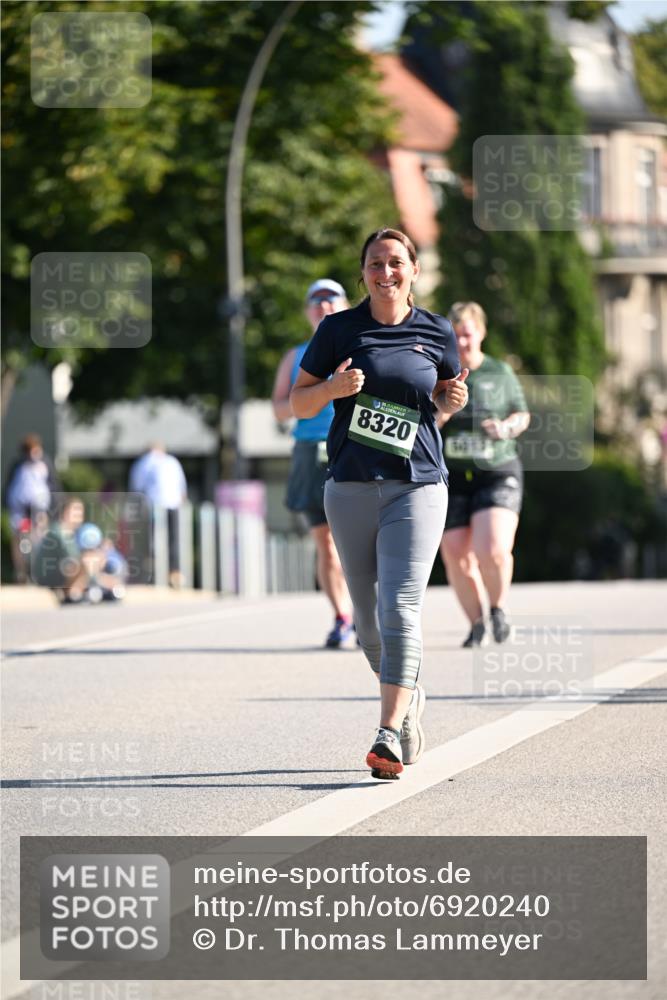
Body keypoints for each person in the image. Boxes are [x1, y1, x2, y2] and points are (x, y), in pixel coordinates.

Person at [290, 228, 468, 778]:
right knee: (367, 623)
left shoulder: (436, 331)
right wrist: (331, 392)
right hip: (348, 486)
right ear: (362, 272)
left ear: (414, 270)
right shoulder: (338, 330)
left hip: (416, 484)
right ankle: (409, 696)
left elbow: (441, 396)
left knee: (400, 605)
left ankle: (386, 732)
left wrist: (451, 400)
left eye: (396, 263)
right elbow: (298, 402)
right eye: (375, 264)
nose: (385, 272)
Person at [437, 302, 530, 647]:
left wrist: (506, 427)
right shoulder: (440, 373)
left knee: (491, 548)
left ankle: (499, 609)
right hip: (454, 476)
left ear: (481, 333)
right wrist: (444, 408)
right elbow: (428, 424)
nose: (461, 342)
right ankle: (476, 624)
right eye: (455, 335)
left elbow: (523, 415)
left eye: (467, 334)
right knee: (456, 553)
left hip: (496, 469)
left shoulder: (499, 372)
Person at [272, 279, 354, 648]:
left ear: (344, 305)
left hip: (352, 447)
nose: (323, 307)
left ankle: (369, 612)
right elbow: (278, 407)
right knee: (327, 546)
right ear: (307, 311)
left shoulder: (356, 346)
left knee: (359, 541)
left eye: (330, 300)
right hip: (309, 451)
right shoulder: (296, 356)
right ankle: (342, 617)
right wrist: (310, 397)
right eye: (315, 302)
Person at [32, 499, 124, 604]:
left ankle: (94, 589)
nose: (79, 516)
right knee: (89, 559)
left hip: (60, 574)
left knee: (93, 559)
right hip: (48, 577)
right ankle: (73, 592)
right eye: (75, 512)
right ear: (65, 513)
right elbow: (75, 561)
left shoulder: (71, 533)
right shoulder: (59, 532)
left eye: (80, 512)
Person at [129, 443, 188, 588]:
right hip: (172, 505)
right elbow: (182, 488)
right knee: (172, 540)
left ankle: (154, 573)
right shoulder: (172, 461)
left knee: (152, 540)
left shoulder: (144, 462)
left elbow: (137, 487)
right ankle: (173, 572)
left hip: (153, 506)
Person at [5, 434, 58, 583]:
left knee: (40, 539)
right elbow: (10, 488)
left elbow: (53, 486)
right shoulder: (18, 465)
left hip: (40, 510)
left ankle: (40, 572)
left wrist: (52, 508)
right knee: (19, 540)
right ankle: (21, 573)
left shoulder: (44, 464)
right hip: (21, 510)